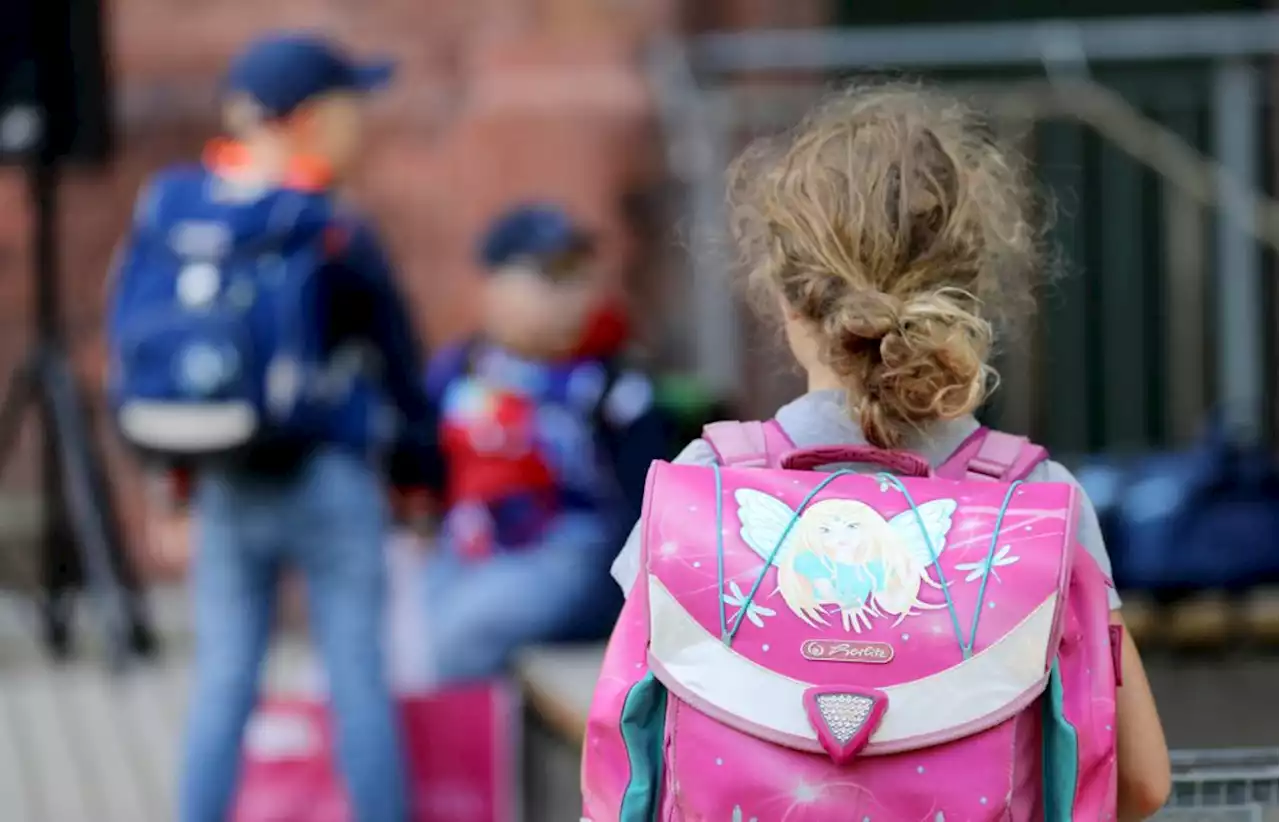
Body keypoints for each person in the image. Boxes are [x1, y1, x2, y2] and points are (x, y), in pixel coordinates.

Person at [609, 82, 1172, 820]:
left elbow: (629, 756)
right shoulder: (1035, 504)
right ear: (966, 292)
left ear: (785, 298)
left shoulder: (703, 488)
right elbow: (1142, 781)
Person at [108, 33, 441, 822]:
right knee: (358, 676)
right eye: (349, 107)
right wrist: (420, 485)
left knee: (224, 677)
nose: (361, 123)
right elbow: (398, 364)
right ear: (313, 120)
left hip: (223, 479)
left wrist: (170, 489)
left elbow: (147, 352)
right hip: (330, 476)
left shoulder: (174, 213)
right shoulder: (329, 224)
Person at [423, 203, 666, 684]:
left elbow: (645, 510)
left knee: (458, 636)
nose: (572, 296)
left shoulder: (613, 383)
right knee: (404, 637)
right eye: (551, 277)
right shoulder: (459, 368)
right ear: (494, 285)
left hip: (569, 555)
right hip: (463, 550)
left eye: (580, 277)